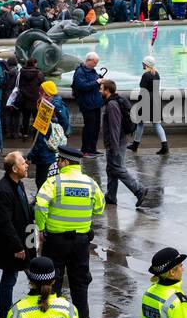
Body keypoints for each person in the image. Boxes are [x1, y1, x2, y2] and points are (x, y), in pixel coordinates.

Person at [34, 145, 106, 318]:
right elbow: (99, 208)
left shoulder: (53, 182)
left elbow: (40, 205)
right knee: (80, 284)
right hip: (81, 242)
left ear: (65, 162)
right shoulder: (90, 183)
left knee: (52, 282)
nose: (57, 163)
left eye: (59, 160)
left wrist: (42, 228)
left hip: (55, 241)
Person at [0, 152, 35, 316]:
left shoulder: (18, 183)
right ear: (14, 169)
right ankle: (4, 314)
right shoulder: (3, 191)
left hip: (26, 238)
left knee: (30, 272)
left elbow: (24, 209)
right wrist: (17, 246)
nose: (27, 164)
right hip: (14, 244)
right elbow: (4, 222)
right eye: (23, 163)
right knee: (11, 277)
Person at [100, 79, 147, 207]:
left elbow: (115, 127)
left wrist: (114, 147)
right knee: (111, 169)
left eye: (101, 88)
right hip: (116, 142)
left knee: (118, 169)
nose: (100, 90)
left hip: (116, 143)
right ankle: (111, 196)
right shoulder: (111, 102)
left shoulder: (112, 105)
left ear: (107, 90)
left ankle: (139, 190)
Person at [27, 80, 70, 190]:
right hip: (51, 148)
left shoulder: (51, 107)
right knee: (48, 177)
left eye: (41, 93)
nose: (39, 95)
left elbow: (41, 137)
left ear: (46, 94)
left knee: (42, 180)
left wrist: (30, 156)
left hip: (47, 150)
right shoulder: (54, 103)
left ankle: (40, 200)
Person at [129, 56, 168, 155]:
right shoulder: (156, 74)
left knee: (140, 123)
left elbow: (142, 88)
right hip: (155, 99)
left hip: (146, 99)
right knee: (157, 123)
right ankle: (165, 146)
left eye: (143, 63)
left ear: (146, 64)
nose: (142, 64)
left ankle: (135, 145)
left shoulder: (146, 75)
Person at [72, 50, 104, 155]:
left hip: (96, 103)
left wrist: (99, 79)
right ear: (88, 60)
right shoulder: (80, 72)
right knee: (89, 127)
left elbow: (93, 82)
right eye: (94, 62)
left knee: (96, 127)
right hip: (87, 104)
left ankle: (93, 149)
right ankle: (85, 150)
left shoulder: (92, 70)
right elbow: (82, 86)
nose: (95, 65)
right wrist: (96, 82)